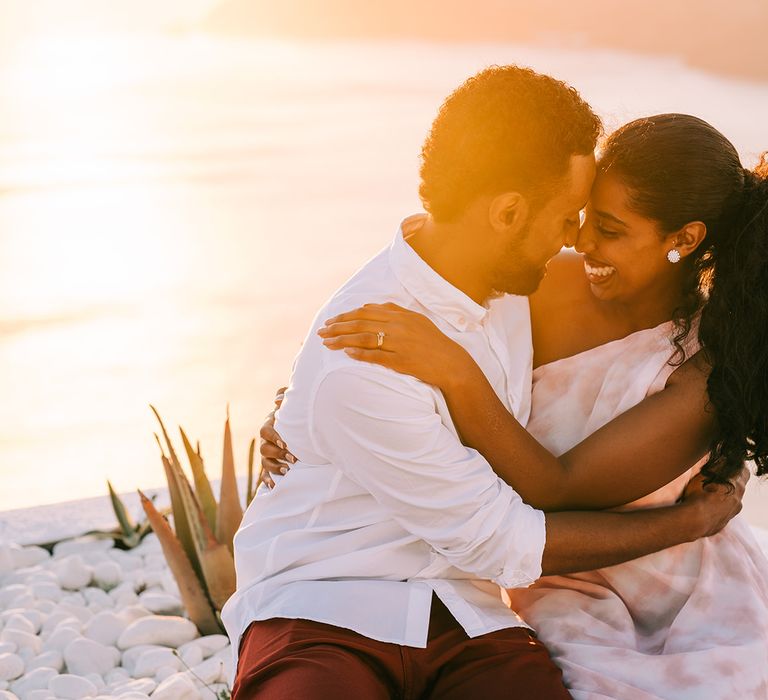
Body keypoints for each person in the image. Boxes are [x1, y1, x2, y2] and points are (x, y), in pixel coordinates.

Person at [224, 68, 746, 700]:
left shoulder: (521, 288)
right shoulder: (447, 317)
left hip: (489, 603)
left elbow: (551, 492)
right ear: (508, 213)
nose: (577, 241)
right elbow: (499, 537)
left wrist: (323, 395)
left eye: (600, 225)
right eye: (571, 218)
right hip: (332, 598)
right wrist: (308, 400)